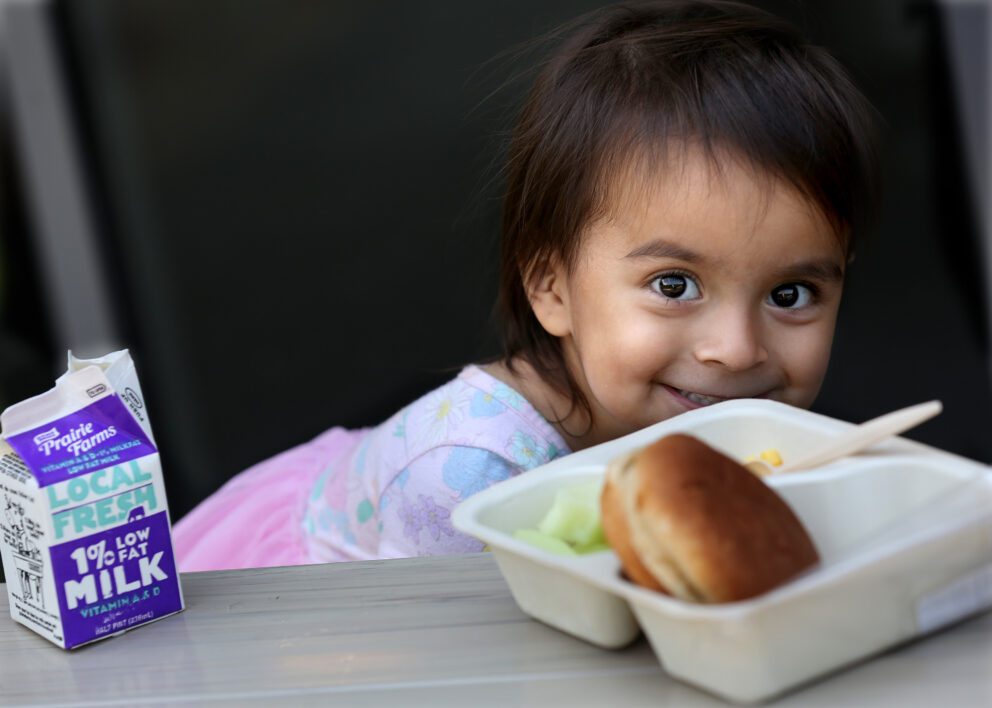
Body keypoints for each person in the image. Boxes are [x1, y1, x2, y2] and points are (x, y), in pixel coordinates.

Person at [173, 0, 879, 571]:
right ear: (551, 288)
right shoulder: (476, 477)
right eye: (674, 284)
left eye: (790, 295)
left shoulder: (734, 424)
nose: (736, 349)